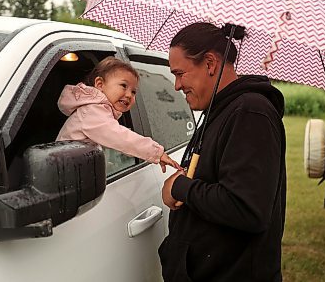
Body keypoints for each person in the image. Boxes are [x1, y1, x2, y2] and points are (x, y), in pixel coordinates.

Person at [158, 22, 286, 281]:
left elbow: (246, 208)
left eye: (180, 73)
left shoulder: (250, 113)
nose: (176, 85)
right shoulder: (222, 109)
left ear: (210, 63)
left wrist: (180, 188)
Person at [56, 56, 181, 173]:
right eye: (123, 85)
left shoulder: (98, 111)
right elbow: (120, 137)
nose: (129, 95)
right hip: (63, 175)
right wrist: (155, 151)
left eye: (133, 92)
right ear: (100, 84)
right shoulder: (92, 111)